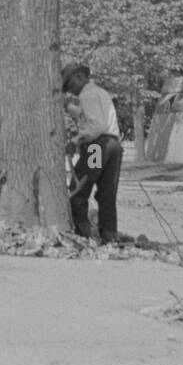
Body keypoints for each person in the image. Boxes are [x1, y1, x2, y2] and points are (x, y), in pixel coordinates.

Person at [62, 63, 122, 243]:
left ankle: (84, 232)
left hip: (98, 147)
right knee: (107, 193)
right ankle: (109, 234)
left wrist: (76, 141)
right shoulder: (100, 93)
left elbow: (96, 126)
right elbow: (91, 118)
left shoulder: (86, 96)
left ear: (80, 77)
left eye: (70, 84)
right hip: (114, 147)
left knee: (80, 186)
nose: (70, 89)